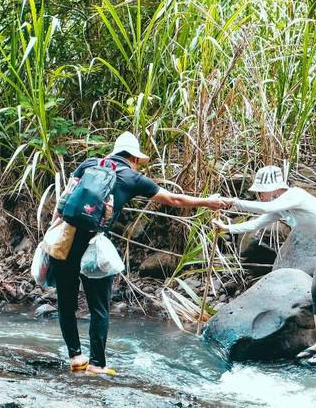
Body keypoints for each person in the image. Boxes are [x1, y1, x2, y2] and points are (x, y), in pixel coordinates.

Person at [51, 131, 228, 374]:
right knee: (99, 308)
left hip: (65, 241)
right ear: (134, 157)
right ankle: (97, 364)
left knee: (66, 303)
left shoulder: (89, 164)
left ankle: (75, 357)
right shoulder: (131, 177)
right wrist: (207, 202)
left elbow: (62, 203)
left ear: (114, 151)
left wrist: (50, 235)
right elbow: (173, 200)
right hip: (96, 247)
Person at [212, 166, 316, 365]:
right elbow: (256, 223)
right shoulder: (280, 207)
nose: (259, 196)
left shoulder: (295, 195)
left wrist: (232, 203)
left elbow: (264, 208)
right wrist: (227, 228)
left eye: (261, 191)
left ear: (273, 188)